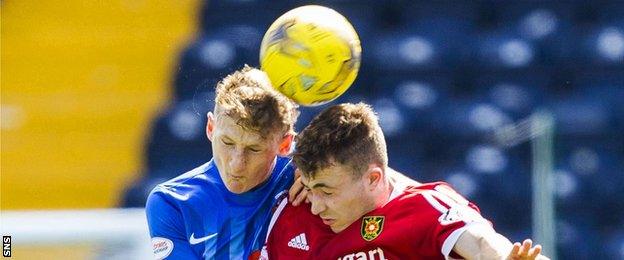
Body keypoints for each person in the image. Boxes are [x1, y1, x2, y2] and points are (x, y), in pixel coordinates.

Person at [262, 103, 548, 260]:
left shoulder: (425, 207)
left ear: (373, 179)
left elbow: (482, 244)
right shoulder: (291, 217)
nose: (315, 206)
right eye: (311, 189)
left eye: (327, 191)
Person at [145, 66, 303, 259]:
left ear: (285, 144)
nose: (236, 164)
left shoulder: (308, 180)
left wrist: (320, 178)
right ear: (211, 127)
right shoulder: (172, 201)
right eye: (227, 142)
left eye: (254, 149)